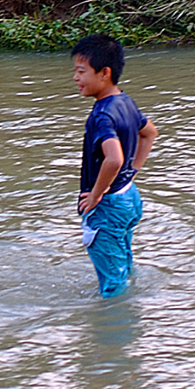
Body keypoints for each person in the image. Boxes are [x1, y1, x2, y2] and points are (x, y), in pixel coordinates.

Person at [72, 34, 158, 297]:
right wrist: (131, 173)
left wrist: (96, 195)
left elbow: (114, 158)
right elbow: (150, 133)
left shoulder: (101, 115)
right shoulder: (125, 101)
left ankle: (115, 332)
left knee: (112, 287)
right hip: (129, 197)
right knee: (124, 263)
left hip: (108, 205)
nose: (76, 78)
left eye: (81, 71)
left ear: (104, 73)